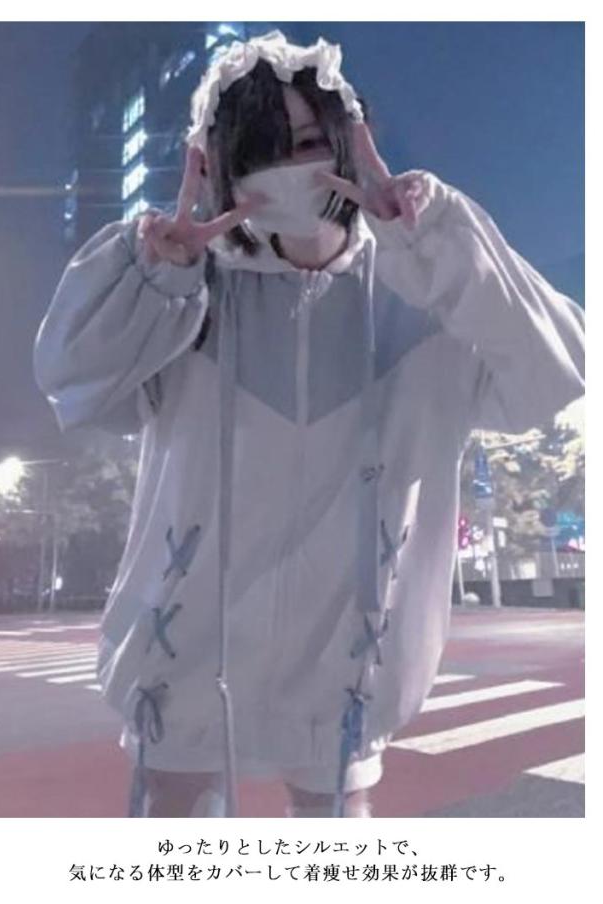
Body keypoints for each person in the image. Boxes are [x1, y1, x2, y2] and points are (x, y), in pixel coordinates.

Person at [33, 30, 585, 818]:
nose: (286, 172)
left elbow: (555, 371)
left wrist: (431, 237)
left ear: (351, 144)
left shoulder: (425, 295)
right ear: (217, 168)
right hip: (183, 663)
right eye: (257, 153)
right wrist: (156, 278)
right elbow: (72, 380)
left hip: (347, 673)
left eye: (305, 145)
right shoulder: (185, 297)